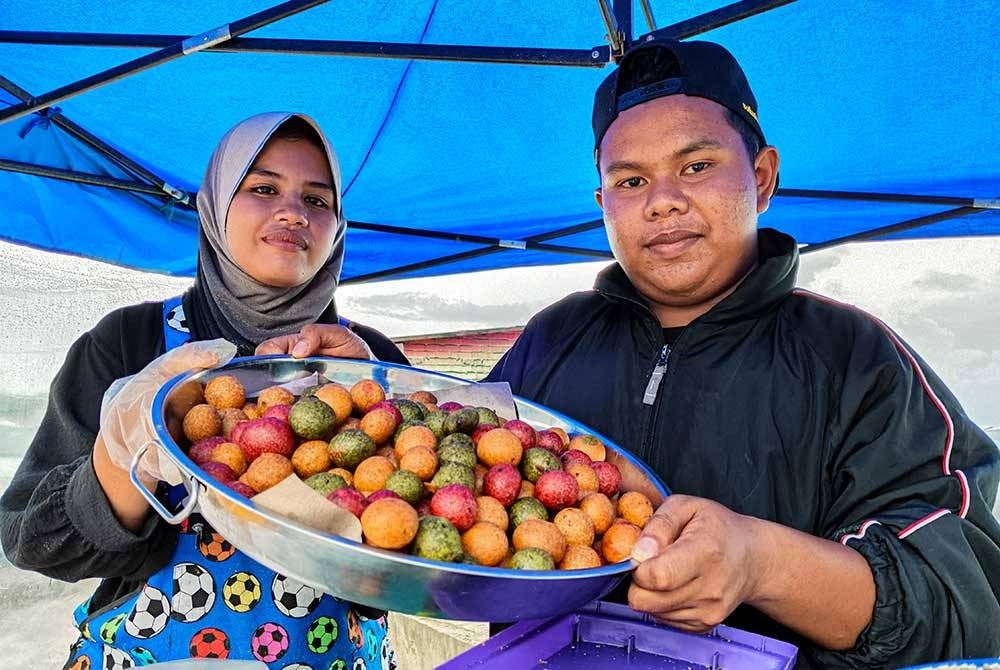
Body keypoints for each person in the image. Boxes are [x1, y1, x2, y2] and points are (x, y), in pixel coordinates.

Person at [480, 38, 1000, 668]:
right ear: (602, 205)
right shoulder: (551, 338)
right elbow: (435, 463)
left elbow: (957, 600)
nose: (662, 200)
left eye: (696, 166)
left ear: (761, 177)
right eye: (630, 180)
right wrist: (362, 363)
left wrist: (759, 561)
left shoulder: (858, 357)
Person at [0, 112, 407, 668]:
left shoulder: (374, 362)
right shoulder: (128, 342)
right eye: (264, 188)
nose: (293, 212)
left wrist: (384, 400)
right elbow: (31, 538)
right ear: (213, 207)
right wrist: (124, 464)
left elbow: (425, 550)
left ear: (338, 227)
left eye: (318, 201)